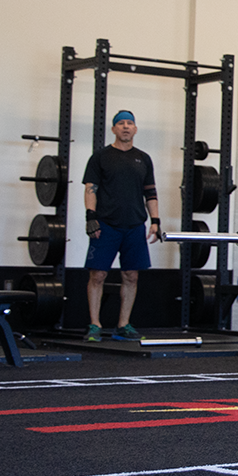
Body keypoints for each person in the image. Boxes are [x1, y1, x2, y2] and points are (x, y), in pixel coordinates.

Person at [81, 109, 160, 342]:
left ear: (135, 129)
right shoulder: (100, 157)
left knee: (131, 276)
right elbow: (90, 188)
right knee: (98, 275)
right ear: (114, 129)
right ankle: (95, 324)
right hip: (106, 225)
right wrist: (90, 216)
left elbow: (151, 192)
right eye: (121, 123)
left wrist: (155, 220)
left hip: (134, 225)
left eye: (130, 123)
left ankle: (123, 324)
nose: (125, 127)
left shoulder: (143, 159)